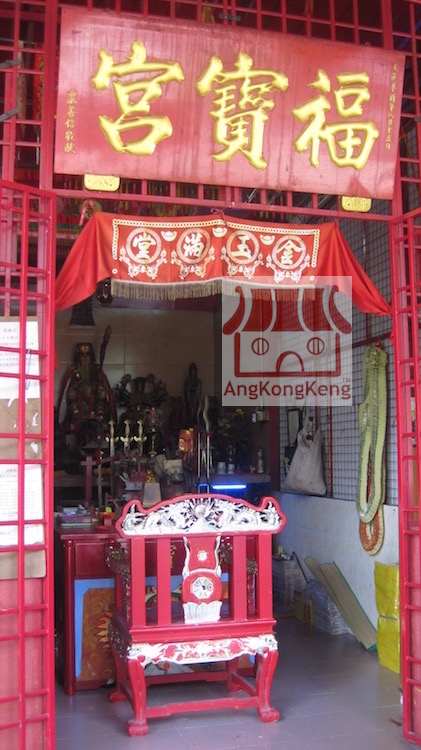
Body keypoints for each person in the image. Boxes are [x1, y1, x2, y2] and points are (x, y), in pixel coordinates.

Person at [58, 342, 116, 449]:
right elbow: (70, 394)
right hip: (79, 409)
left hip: (96, 408)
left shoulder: (97, 370)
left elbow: (104, 393)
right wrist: (76, 412)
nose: (85, 358)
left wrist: (99, 412)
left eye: (88, 354)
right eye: (82, 355)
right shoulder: (73, 371)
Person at [184, 362, 202, 426]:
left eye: (194, 370)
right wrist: (192, 388)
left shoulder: (197, 380)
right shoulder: (188, 380)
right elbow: (187, 390)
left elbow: (199, 390)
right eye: (192, 370)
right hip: (190, 398)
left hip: (196, 398)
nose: (193, 372)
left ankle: (195, 423)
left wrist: (197, 387)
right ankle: (190, 423)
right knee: (190, 410)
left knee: (196, 411)